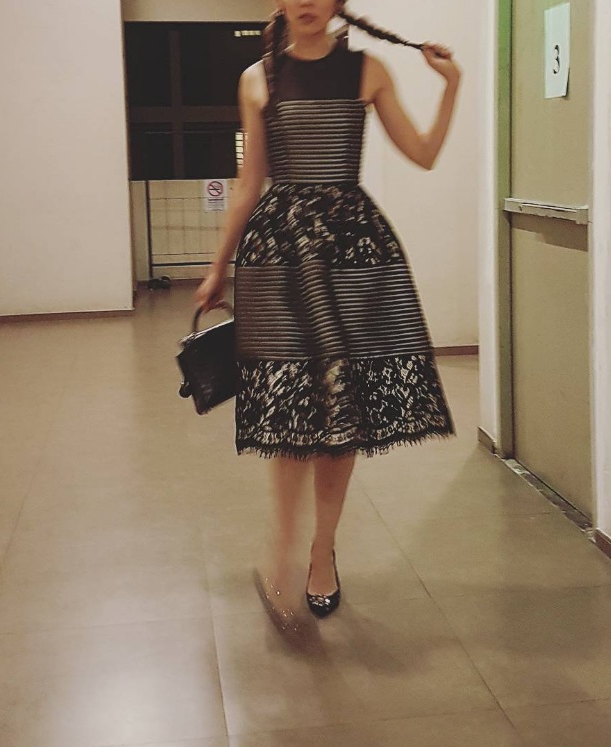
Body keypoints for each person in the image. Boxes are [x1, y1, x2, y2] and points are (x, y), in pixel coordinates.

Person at [195, 0, 460, 630]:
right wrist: (217, 267)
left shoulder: (367, 70)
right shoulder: (257, 78)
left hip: (352, 256)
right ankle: (283, 545)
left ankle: (321, 551)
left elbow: (423, 153)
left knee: (343, 409)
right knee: (290, 407)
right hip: (278, 258)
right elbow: (249, 183)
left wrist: (451, 87)